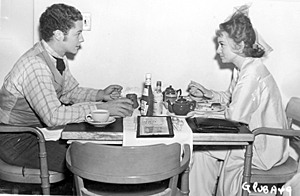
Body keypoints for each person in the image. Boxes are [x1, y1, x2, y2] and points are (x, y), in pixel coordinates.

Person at [0, 3, 134, 173]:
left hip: (37, 133)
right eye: (78, 34)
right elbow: (53, 116)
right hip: (17, 141)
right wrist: (101, 108)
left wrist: (101, 95)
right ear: (58, 35)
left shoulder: (56, 58)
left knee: (98, 152)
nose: (82, 39)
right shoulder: (35, 65)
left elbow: (70, 92)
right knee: (93, 159)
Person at [188, 4, 289, 196]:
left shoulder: (251, 74)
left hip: (263, 146)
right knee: (200, 151)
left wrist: (202, 114)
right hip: (255, 138)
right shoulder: (244, 68)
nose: (218, 50)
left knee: (200, 151)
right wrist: (208, 93)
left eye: (222, 44)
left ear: (240, 46)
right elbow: (231, 98)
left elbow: (235, 117)